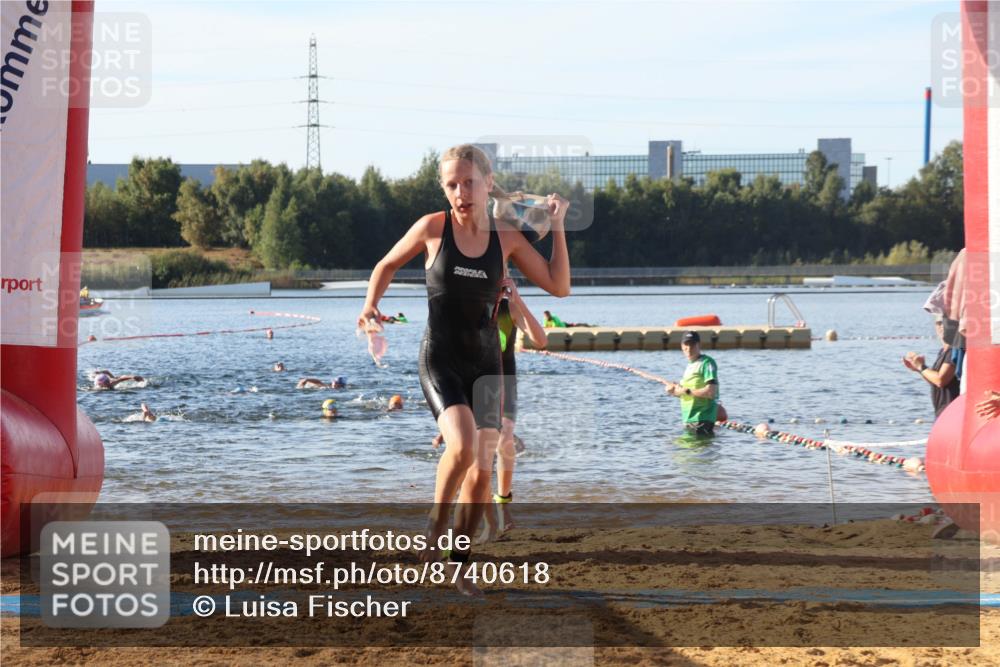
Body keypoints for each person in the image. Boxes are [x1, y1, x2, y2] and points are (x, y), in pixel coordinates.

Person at [358, 143, 570, 596]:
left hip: (487, 364)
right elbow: (385, 264)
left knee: (481, 470)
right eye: (451, 184)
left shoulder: (507, 238)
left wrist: (557, 225)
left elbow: (559, 286)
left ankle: (459, 564)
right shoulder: (432, 228)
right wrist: (371, 306)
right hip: (441, 360)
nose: (460, 192)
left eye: (469, 182)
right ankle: (435, 525)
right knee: (462, 443)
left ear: (488, 184)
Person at [479, 278, 547, 540]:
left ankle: (502, 506)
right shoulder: (470, 303)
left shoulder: (510, 308)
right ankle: (487, 519)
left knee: (504, 440)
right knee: (479, 452)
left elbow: (540, 340)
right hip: (474, 380)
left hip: (505, 382)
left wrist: (517, 299)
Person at [664, 331, 719, 436]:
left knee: (688, 451)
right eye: (686, 344)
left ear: (699, 345)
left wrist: (685, 390)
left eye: (692, 344)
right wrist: (673, 392)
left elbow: (711, 392)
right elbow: (688, 395)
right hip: (689, 420)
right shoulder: (689, 366)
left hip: (701, 421)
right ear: (681, 346)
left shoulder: (706, 363)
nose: (688, 348)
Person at [903, 317, 960, 417]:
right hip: (941, 410)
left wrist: (921, 366)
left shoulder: (954, 351)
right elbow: (935, 382)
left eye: (944, 323)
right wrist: (919, 369)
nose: (942, 327)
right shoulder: (943, 351)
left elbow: (941, 380)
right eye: (939, 323)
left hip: (952, 411)